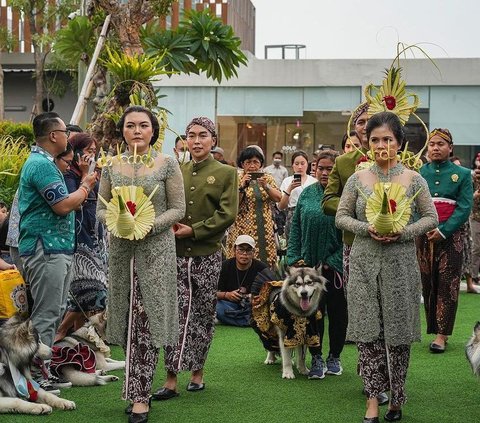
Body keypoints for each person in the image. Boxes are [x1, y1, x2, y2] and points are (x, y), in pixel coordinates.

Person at [336, 112, 438, 423]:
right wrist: (368, 228)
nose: (381, 145)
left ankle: (396, 398)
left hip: (400, 264)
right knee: (368, 333)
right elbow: (341, 217)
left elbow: (430, 218)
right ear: (367, 143)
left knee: (397, 333)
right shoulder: (357, 178)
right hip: (364, 262)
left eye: (388, 140)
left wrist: (403, 231)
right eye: (375, 140)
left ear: (400, 143)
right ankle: (371, 400)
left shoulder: (414, 179)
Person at [97, 105, 186, 423]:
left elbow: (178, 209)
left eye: (143, 125)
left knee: (147, 324)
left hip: (156, 253)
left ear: (153, 130)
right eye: (130, 125)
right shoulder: (111, 165)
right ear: (122, 130)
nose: (137, 130)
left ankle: (139, 397)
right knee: (127, 324)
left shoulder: (167, 163)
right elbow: (100, 208)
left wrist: (150, 224)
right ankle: (137, 389)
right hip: (122, 254)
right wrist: (119, 221)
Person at [153, 117, 238, 401]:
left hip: (207, 254)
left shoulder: (226, 173)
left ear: (213, 140)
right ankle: (171, 378)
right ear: (185, 140)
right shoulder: (176, 169)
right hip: (175, 255)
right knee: (175, 315)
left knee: (202, 314)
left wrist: (196, 231)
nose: (197, 141)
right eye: (191, 135)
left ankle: (197, 372)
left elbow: (227, 214)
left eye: (203, 135)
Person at [18, 112, 97, 391]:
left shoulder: (48, 164)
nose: (67, 136)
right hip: (45, 249)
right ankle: (32, 378)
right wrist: (86, 185)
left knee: (53, 311)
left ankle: (42, 373)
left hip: (55, 248)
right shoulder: (40, 164)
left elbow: (68, 203)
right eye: (64, 131)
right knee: (46, 313)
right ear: (53, 136)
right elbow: (63, 205)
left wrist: (80, 191)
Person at [287, 150, 346, 378]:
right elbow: (296, 230)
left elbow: (350, 233)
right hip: (309, 268)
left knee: (338, 312)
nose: (324, 172)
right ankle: (317, 357)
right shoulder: (307, 194)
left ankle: (335, 356)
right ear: (314, 168)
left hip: (336, 268)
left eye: (330, 168)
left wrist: (333, 261)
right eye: (320, 168)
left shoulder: (345, 195)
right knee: (312, 312)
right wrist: (294, 260)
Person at [417, 128, 473, 353]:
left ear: (451, 148)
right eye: (432, 144)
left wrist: (444, 230)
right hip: (424, 236)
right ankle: (433, 328)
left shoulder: (463, 174)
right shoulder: (419, 173)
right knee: (428, 283)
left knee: (447, 285)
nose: (436, 148)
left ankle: (442, 335)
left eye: (441, 144)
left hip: (452, 237)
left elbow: (464, 207)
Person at [55, 133, 108, 343]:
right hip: (79, 240)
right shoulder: (68, 176)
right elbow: (73, 204)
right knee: (91, 291)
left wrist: (95, 176)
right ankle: (61, 331)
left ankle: (82, 346)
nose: (91, 156)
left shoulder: (93, 174)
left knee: (88, 293)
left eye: (94, 152)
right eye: (88, 152)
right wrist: (85, 175)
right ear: (76, 152)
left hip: (95, 237)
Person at [226, 147, 281, 268]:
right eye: (248, 162)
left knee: (264, 261)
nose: (252, 166)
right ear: (242, 164)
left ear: (261, 164)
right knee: (241, 259)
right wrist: (242, 186)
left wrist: (266, 186)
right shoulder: (237, 178)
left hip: (264, 228)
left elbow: (278, 198)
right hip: (241, 228)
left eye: (255, 162)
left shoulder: (268, 178)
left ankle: (265, 286)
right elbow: (233, 204)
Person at [216, 235, 268, 326]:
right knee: (217, 307)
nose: (244, 254)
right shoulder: (224, 266)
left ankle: (232, 319)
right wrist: (226, 295)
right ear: (234, 250)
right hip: (229, 305)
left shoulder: (262, 269)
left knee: (266, 309)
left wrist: (255, 297)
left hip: (252, 306)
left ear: (254, 253)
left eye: (248, 250)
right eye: (241, 249)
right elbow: (211, 293)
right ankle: (251, 321)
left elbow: (271, 292)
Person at [278, 151, 317, 241]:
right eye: (296, 164)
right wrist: (289, 189)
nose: (300, 167)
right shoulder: (287, 181)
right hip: (292, 215)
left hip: (310, 216)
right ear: (292, 165)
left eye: (303, 163)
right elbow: (281, 206)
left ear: (307, 164)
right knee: (293, 245)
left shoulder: (314, 181)